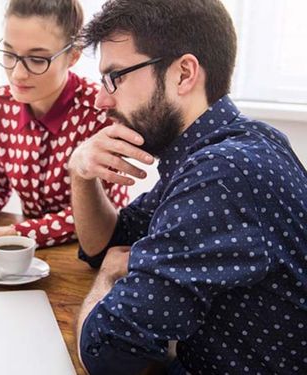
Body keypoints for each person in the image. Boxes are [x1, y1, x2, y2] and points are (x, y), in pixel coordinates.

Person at [68, 0, 307, 373]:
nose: (102, 99)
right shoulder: (225, 147)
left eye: (116, 76)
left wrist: (109, 275)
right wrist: (80, 173)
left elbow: (107, 351)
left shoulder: (222, 174)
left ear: (183, 74)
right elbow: (110, 242)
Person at [0, 0, 129, 249]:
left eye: (36, 59)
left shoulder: (101, 111)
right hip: (26, 255)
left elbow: (101, 216)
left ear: (73, 56)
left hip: (97, 254)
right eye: (10, 54)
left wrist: (2, 235)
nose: (18, 74)